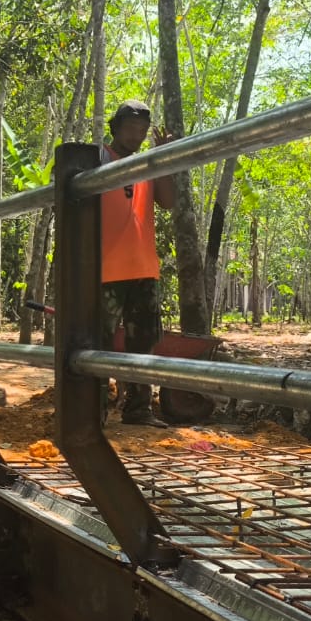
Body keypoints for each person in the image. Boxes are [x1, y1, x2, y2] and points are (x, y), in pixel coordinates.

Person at [100, 99, 176, 427]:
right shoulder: (98, 157)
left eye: (143, 130)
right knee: (97, 341)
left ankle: (139, 409)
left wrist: (163, 159)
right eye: (131, 128)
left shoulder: (148, 162)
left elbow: (169, 202)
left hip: (143, 266)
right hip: (105, 267)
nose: (137, 136)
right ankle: (94, 408)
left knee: (143, 339)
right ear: (115, 127)